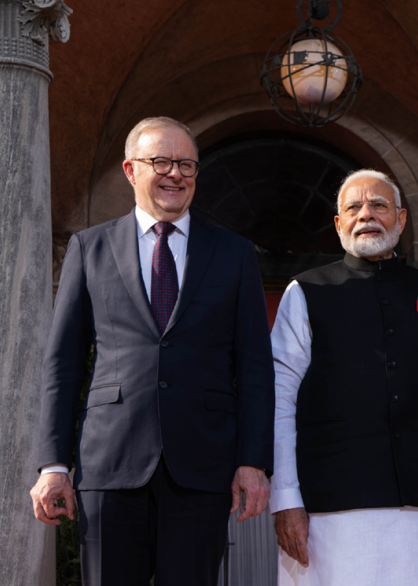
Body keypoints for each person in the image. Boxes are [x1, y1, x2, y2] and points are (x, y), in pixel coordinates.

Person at [28, 117, 274, 585]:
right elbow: (62, 363)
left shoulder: (234, 253)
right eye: (161, 161)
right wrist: (54, 463)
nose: (175, 174)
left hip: (202, 466)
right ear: (130, 169)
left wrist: (254, 461)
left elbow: (255, 366)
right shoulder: (89, 247)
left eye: (186, 164)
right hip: (110, 463)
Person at [269, 169, 418, 586]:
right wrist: (286, 499)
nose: (366, 215)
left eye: (379, 205)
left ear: (401, 220)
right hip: (327, 508)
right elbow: (279, 397)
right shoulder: (306, 291)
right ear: (338, 224)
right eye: (353, 207)